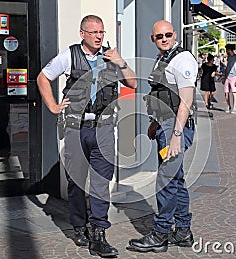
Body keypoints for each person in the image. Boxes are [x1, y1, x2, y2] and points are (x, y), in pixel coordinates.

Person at [37, 15, 137, 257]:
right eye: (93, 32)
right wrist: (52, 106)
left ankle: (99, 232)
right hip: (75, 128)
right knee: (77, 181)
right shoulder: (69, 56)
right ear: (82, 33)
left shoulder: (111, 57)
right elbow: (43, 77)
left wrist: (120, 60)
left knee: (102, 181)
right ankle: (79, 225)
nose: (98, 36)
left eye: (101, 32)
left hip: (103, 128)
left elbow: (132, 83)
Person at [127, 20, 197, 253]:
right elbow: (162, 95)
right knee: (175, 179)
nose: (164, 38)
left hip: (175, 127)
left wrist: (176, 134)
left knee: (165, 180)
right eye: (159, 36)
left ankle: (161, 233)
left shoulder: (183, 59)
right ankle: (183, 231)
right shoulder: (162, 59)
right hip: (164, 125)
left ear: (175, 34)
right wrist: (154, 123)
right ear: (153, 39)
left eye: (168, 34)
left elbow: (185, 100)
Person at [222, 44, 236, 114]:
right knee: (226, 92)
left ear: (229, 50)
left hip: (233, 77)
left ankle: (234, 107)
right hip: (227, 76)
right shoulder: (228, 57)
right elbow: (227, 68)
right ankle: (228, 105)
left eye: (227, 50)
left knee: (234, 92)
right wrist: (224, 77)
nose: (226, 51)